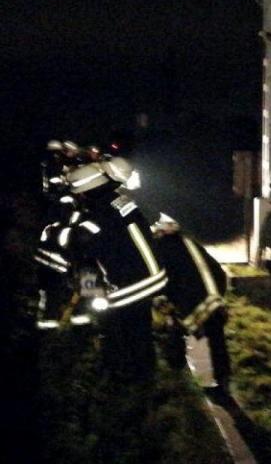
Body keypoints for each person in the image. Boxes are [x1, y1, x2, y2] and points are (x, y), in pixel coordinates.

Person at [65, 162, 167, 380]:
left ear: (83, 192)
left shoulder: (93, 217)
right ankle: (147, 373)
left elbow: (84, 253)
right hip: (154, 276)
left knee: (118, 330)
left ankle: (122, 375)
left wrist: (89, 293)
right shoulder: (122, 201)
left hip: (128, 286)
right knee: (141, 328)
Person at [150, 214, 232, 396]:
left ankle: (180, 375)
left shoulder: (161, 249)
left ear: (161, 232)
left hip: (189, 302)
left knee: (178, 333)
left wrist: (167, 303)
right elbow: (218, 270)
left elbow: (164, 280)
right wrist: (218, 296)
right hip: (213, 299)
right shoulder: (190, 243)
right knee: (217, 340)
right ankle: (223, 380)